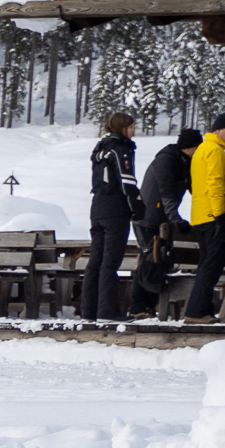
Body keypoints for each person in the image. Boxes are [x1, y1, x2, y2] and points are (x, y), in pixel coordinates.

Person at [127, 128, 200, 318]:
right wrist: (175, 218)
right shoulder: (166, 160)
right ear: (190, 146)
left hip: (162, 219)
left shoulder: (186, 162)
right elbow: (167, 193)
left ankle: (149, 307)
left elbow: (193, 188)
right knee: (150, 259)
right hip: (148, 218)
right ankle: (137, 308)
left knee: (158, 261)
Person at [84, 112, 144, 321]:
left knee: (94, 263)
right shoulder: (121, 149)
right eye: (130, 127)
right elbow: (127, 182)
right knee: (110, 263)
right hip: (115, 211)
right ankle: (108, 312)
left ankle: (89, 311)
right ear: (121, 128)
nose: (133, 131)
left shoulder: (100, 148)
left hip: (97, 208)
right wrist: (139, 207)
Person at [182, 113, 225, 324]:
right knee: (211, 265)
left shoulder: (202, 150)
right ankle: (197, 311)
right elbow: (215, 184)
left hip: (200, 214)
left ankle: (200, 309)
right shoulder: (214, 151)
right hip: (211, 214)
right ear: (217, 130)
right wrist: (218, 215)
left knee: (207, 263)